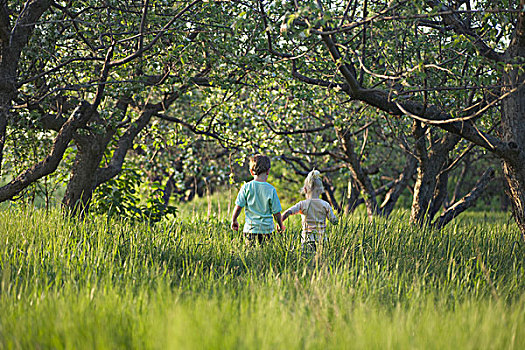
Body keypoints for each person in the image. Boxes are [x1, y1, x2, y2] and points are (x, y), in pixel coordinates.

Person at [231, 154, 285, 244]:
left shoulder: (246, 187)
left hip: (250, 230)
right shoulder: (271, 189)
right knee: (266, 256)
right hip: (267, 231)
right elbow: (276, 213)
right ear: (268, 171)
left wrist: (234, 220)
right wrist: (281, 225)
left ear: (251, 172)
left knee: (250, 255)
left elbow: (238, 207)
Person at [282, 169, 338, 252]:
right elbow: (334, 221)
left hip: (307, 240)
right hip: (322, 241)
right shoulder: (325, 204)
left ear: (305, 190)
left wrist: (280, 222)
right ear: (321, 190)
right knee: (321, 263)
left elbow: (288, 212)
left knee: (307, 262)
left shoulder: (302, 204)